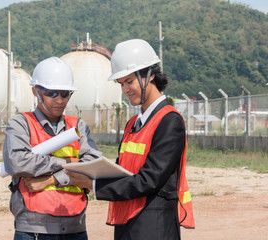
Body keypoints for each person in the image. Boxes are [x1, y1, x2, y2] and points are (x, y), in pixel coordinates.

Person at [66, 39, 194, 240]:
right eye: (121, 83)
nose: (125, 89)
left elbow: (149, 180)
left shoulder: (169, 121)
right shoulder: (133, 123)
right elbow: (122, 170)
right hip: (128, 222)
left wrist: (95, 185)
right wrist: (90, 172)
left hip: (154, 228)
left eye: (130, 81)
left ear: (149, 75)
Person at [3, 57, 102, 240]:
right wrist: (69, 163)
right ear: (36, 92)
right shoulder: (21, 124)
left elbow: (93, 167)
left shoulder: (78, 127)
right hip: (33, 229)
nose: (59, 100)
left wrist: (53, 179)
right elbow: (17, 163)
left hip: (75, 227)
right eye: (52, 93)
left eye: (65, 94)